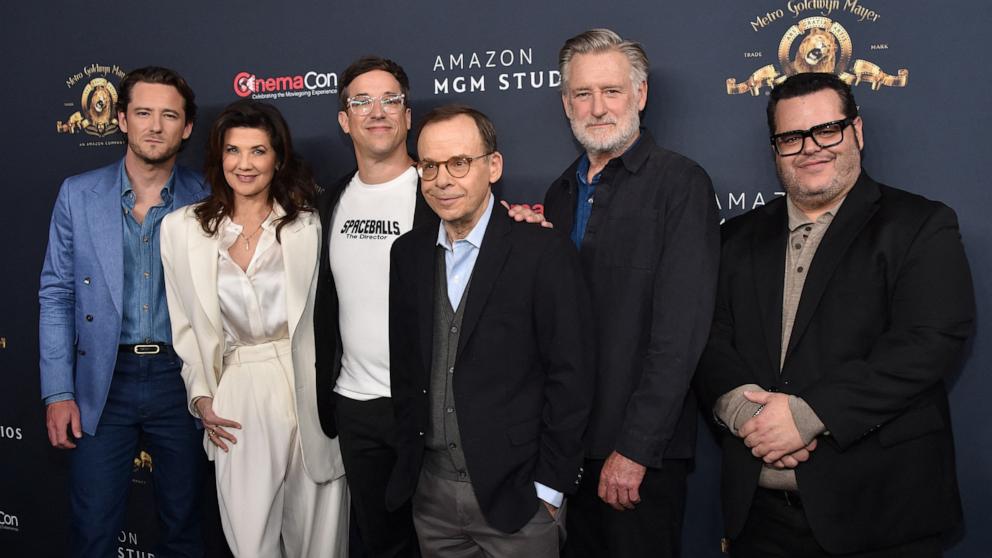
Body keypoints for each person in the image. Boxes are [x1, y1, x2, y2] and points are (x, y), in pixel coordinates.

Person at [694, 72, 975, 557]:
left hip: (883, 520)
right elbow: (707, 337)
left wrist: (807, 416)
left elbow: (929, 341)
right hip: (758, 521)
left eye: (828, 130)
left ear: (857, 131)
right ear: (775, 148)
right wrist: (748, 415)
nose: (811, 148)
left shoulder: (919, 225)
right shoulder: (734, 238)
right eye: (791, 137)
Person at [541, 29, 720, 557]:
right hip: (562, 451)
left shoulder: (681, 184)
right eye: (582, 94)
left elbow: (680, 332)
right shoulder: (559, 193)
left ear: (640, 95)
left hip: (637, 457)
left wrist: (635, 449)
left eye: (612, 91)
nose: (597, 108)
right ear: (566, 103)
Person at [386, 105, 594, 557]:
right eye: (429, 166)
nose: (443, 179)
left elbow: (571, 376)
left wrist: (550, 491)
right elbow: (405, 372)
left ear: (493, 166)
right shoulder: (408, 254)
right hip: (433, 498)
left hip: (520, 499)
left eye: (460, 162)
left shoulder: (542, 250)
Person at [161, 100, 348, 557]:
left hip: (309, 381)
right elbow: (184, 324)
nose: (244, 164)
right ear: (218, 157)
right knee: (250, 541)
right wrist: (201, 394)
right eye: (233, 151)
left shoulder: (311, 224)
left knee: (319, 538)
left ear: (278, 158)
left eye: (258, 151)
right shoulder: (181, 230)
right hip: (238, 385)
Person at [39, 66, 207, 557]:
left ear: (187, 127)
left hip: (182, 379)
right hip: (102, 380)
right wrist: (58, 390)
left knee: (185, 524)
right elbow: (56, 295)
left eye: (169, 115)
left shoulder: (209, 199)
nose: (155, 126)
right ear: (121, 120)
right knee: (92, 529)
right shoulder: (77, 195)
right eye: (143, 113)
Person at [313, 55, 434, 557]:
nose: (376, 111)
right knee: (381, 546)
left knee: (443, 543)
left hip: (428, 408)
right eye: (361, 101)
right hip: (356, 409)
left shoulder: (439, 191)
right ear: (345, 121)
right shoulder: (330, 201)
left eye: (391, 100)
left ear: (408, 116)